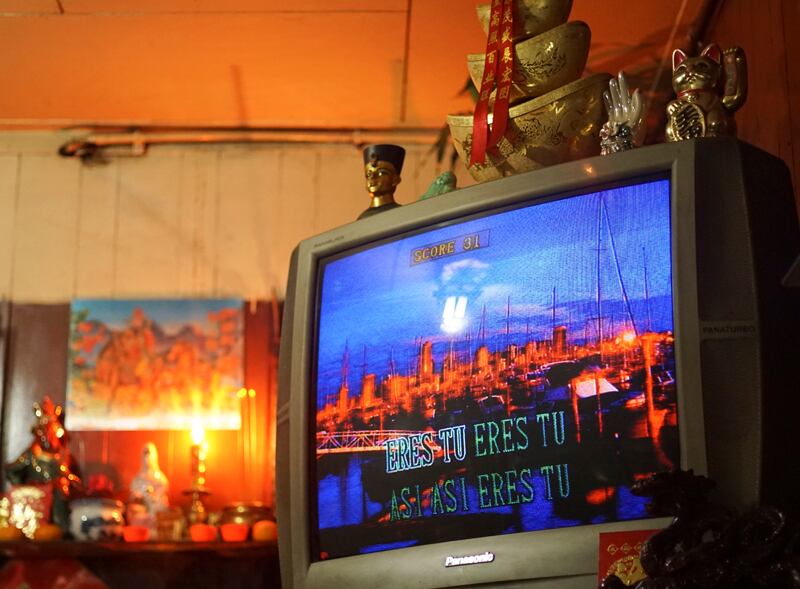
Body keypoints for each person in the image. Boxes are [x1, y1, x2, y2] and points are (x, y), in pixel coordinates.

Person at [358, 144, 405, 219]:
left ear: (395, 180)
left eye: (381, 173)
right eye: (369, 174)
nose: (373, 177)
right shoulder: (363, 218)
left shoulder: (401, 213)